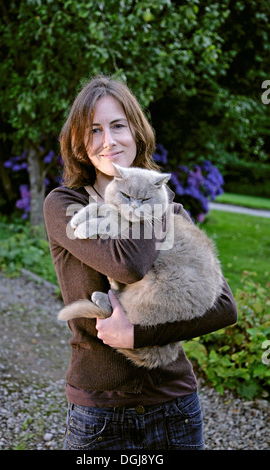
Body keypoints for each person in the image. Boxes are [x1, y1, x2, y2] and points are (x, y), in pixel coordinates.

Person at [43, 75, 237, 450]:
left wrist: (138, 336)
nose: (109, 141)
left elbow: (225, 308)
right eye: (94, 130)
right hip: (100, 411)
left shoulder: (167, 206)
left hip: (175, 402)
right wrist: (155, 205)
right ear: (80, 144)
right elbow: (128, 265)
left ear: (136, 131)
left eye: (118, 126)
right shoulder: (66, 205)